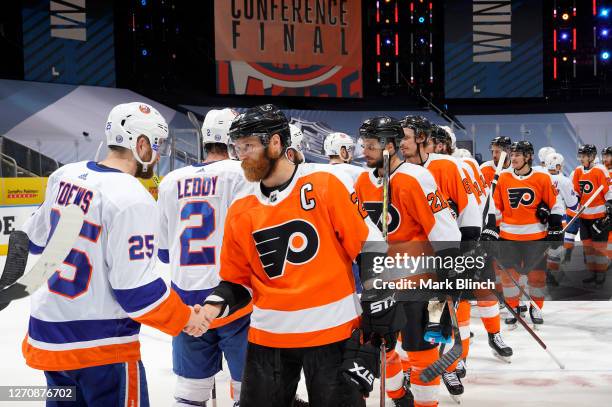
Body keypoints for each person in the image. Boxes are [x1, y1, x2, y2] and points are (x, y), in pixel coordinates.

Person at [196, 104, 398, 407]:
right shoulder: (240, 207)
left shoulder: (326, 185)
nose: (241, 156)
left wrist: (379, 311)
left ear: (276, 142)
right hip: (269, 338)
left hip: (335, 333)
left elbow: (370, 248)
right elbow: (236, 282)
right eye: (237, 148)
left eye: (248, 145)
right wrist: (213, 307)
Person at [19, 102, 208, 406]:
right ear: (140, 143)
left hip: (48, 339)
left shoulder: (64, 176)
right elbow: (138, 294)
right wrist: (187, 319)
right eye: (156, 145)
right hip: (101, 347)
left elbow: (34, 241)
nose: (157, 155)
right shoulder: (133, 198)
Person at [356, 116, 462, 407]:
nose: (364, 150)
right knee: (384, 350)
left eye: (371, 145)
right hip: (379, 283)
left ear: (390, 146)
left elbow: (443, 227)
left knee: (422, 352)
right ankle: (398, 396)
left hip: (419, 282)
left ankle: (425, 404)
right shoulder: (361, 182)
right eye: (363, 144)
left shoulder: (416, 177)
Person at [157, 108, 253, 407]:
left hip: (186, 301)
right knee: (249, 390)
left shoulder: (171, 180)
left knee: (190, 390)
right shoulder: (242, 175)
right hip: (234, 297)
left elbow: (163, 251)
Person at [482, 141, 564, 330]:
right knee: (509, 278)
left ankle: (536, 307)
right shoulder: (504, 177)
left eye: (518, 155)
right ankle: (513, 308)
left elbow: (556, 204)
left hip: (535, 238)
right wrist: (491, 229)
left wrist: (554, 224)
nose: (513, 158)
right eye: (512, 154)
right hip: (508, 237)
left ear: (528, 157)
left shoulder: (542, 177)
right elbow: (496, 208)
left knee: (537, 277)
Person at [571, 145, 612, 287]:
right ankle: (592, 273)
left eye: (584, 156)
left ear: (592, 157)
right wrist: (574, 200)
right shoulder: (577, 171)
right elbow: (575, 190)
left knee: (599, 246)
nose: (581, 159)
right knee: (587, 246)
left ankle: (600, 273)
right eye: (580, 156)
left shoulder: (600, 170)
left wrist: (609, 204)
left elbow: (608, 190)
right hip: (584, 216)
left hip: (599, 215)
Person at [543, 153, 579, 282]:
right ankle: (549, 274)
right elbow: (573, 205)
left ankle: (536, 271)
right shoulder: (564, 180)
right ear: (558, 166)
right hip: (557, 218)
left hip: (538, 218)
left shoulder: (539, 176)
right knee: (555, 247)